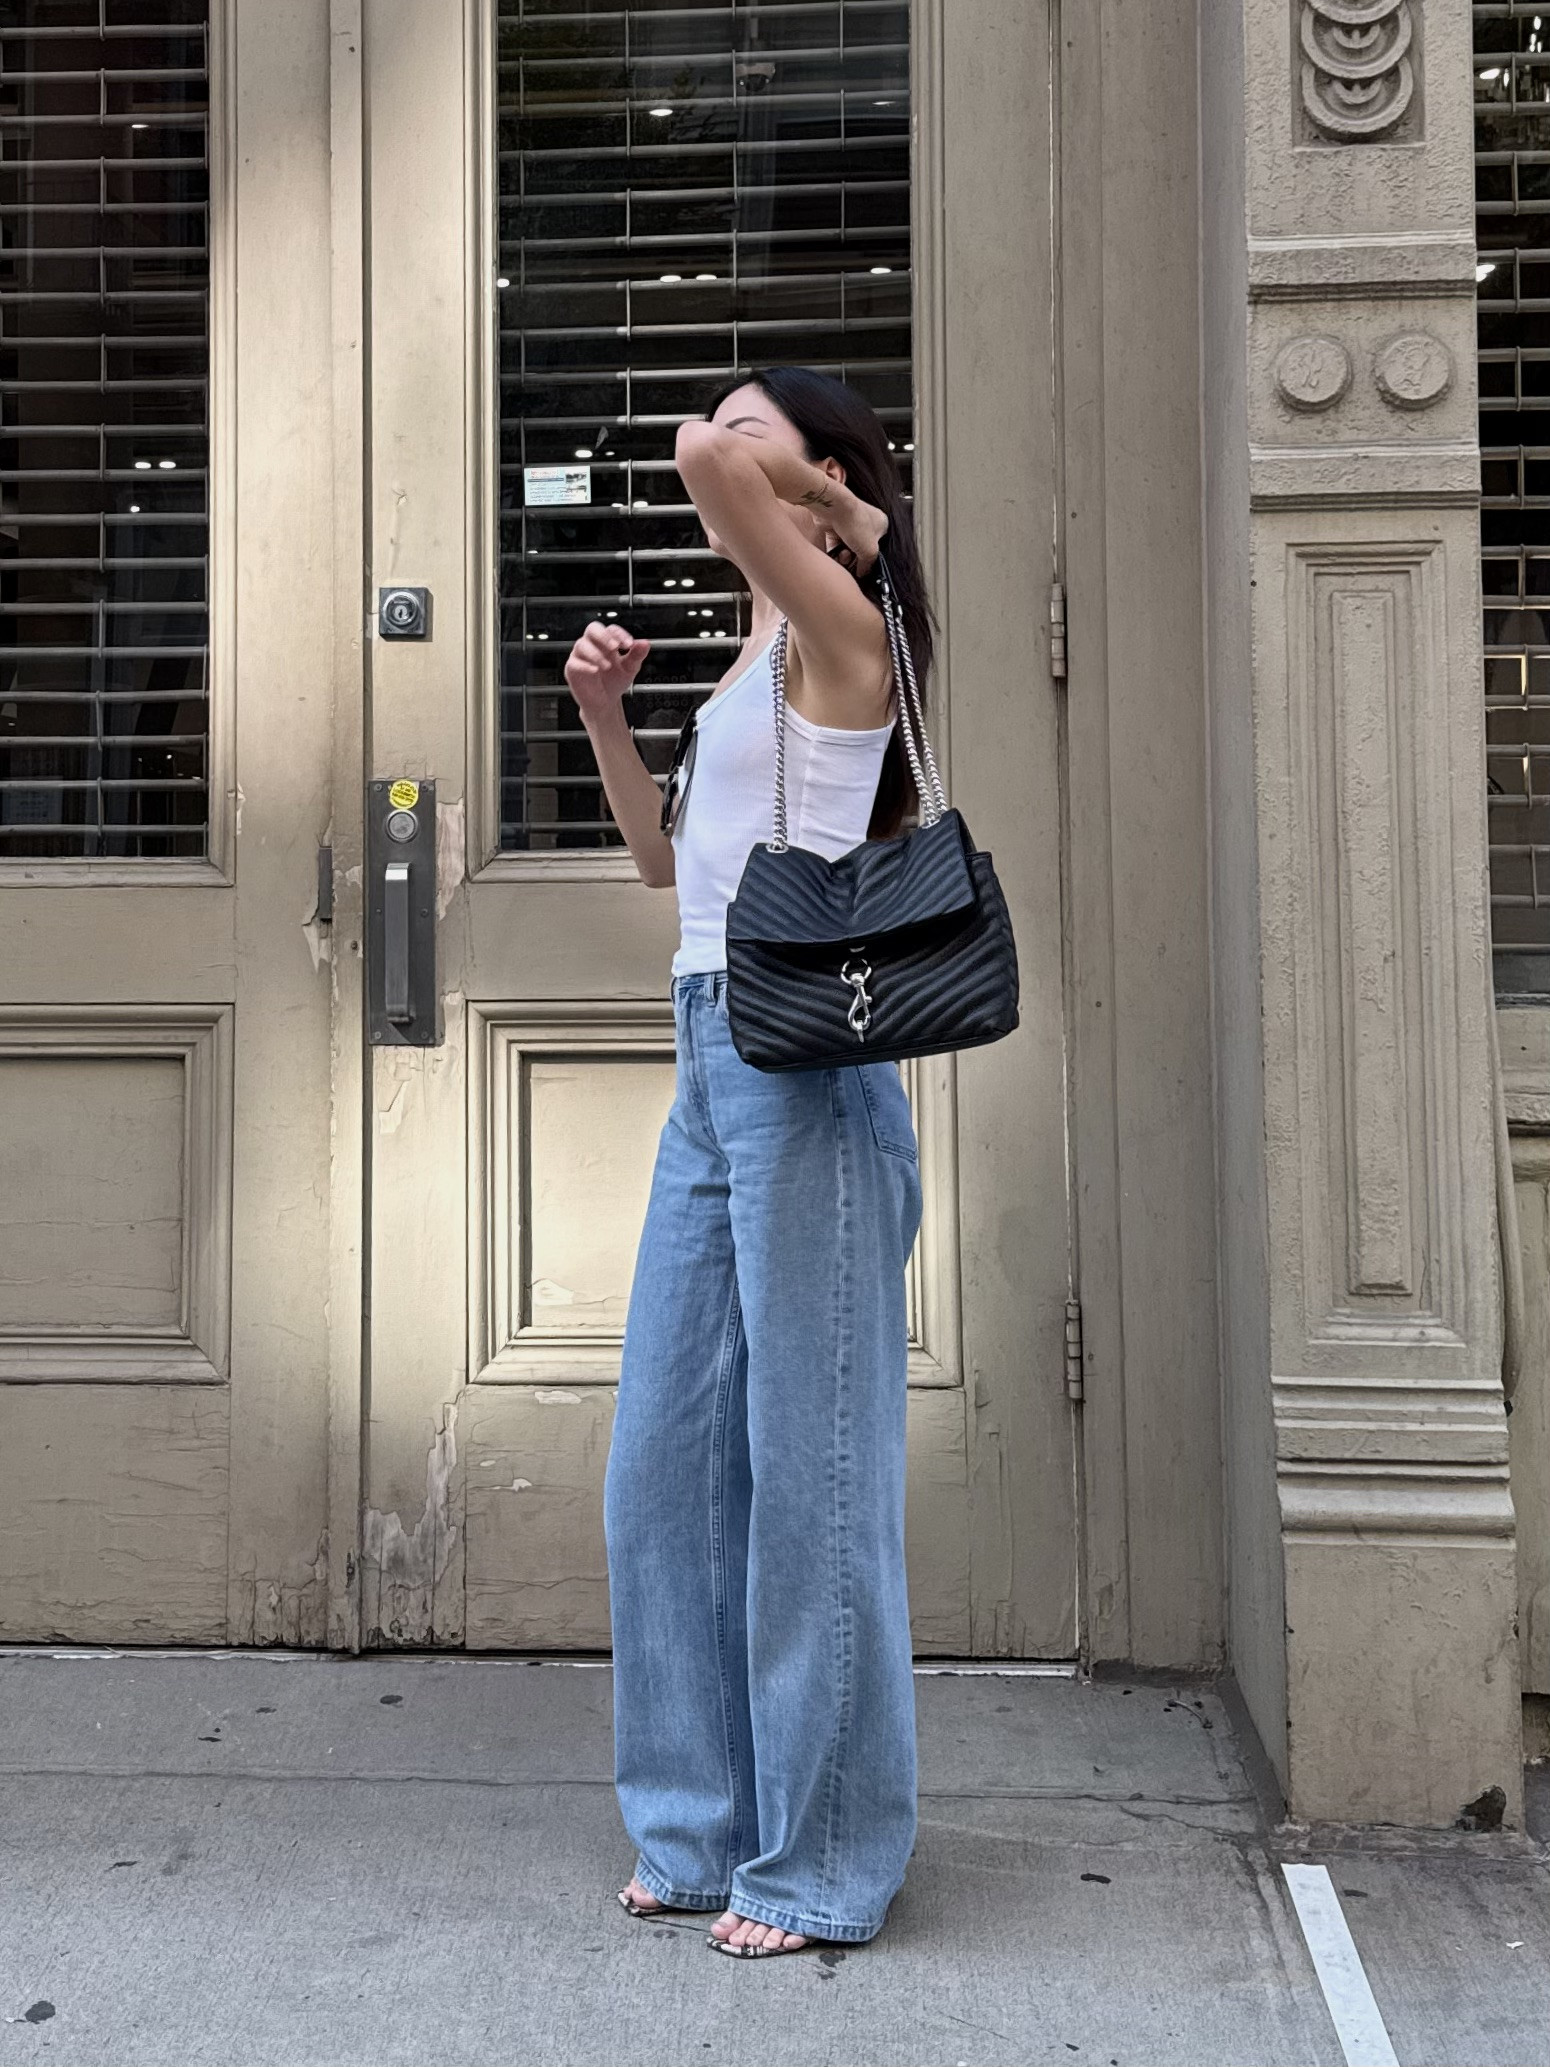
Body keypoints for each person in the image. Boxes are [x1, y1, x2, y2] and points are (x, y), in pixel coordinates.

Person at [563, 366, 936, 1958]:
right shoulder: (751, 659)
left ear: (820, 475)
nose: (717, 444)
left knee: (814, 1481)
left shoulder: (851, 631)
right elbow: (668, 870)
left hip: (810, 1081)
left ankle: (824, 1859)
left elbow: (696, 465)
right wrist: (598, 716)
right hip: (709, 1056)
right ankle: (699, 1830)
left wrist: (835, 507)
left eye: (754, 423)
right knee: (662, 1467)